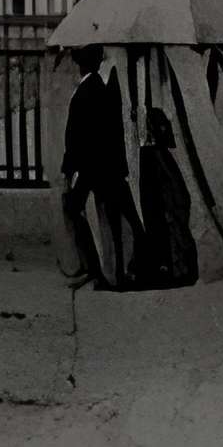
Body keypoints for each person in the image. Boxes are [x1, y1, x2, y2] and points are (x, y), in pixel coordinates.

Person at [59, 45, 139, 291]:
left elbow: (76, 136)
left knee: (78, 212)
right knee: (112, 218)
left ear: (79, 65)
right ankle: (111, 273)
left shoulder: (85, 91)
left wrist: (68, 169)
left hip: (90, 168)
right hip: (105, 166)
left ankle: (99, 271)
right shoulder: (101, 88)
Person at [132, 104, 197, 290]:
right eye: (160, 127)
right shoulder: (153, 155)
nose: (165, 130)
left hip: (163, 209)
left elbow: (175, 188)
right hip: (160, 209)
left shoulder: (155, 154)